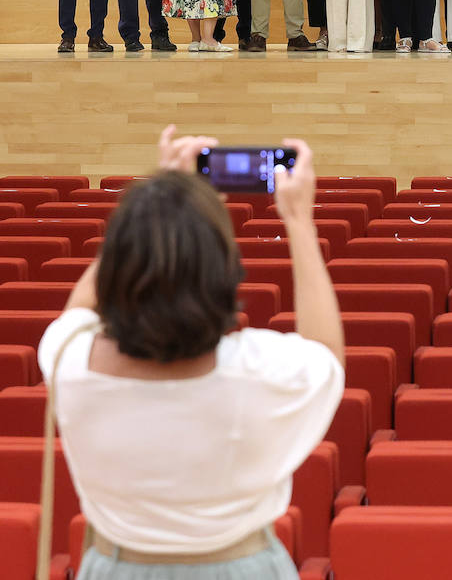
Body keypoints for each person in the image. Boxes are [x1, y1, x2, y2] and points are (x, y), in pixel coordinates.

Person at [37, 126, 342, 578]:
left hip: (115, 566)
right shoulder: (260, 372)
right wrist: (299, 220)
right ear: (225, 275)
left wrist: (160, 205)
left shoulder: (67, 359)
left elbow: (85, 303)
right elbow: (325, 353)